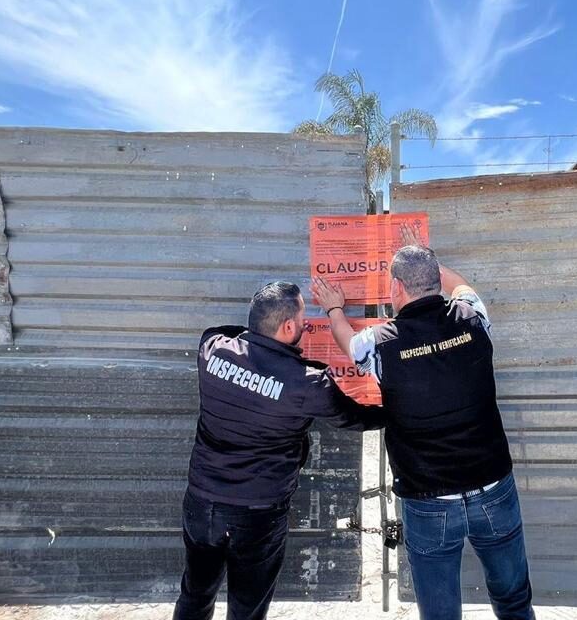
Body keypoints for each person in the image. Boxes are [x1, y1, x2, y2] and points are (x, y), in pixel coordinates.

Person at [311, 226, 534, 620]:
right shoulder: (473, 318)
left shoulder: (380, 343)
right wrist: (425, 255)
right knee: (514, 601)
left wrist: (333, 308)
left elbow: (347, 339)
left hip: (430, 504)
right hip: (494, 491)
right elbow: (461, 284)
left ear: (395, 289)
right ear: (436, 281)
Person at [175, 281, 385, 620]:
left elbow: (222, 331)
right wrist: (402, 411)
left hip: (202, 504)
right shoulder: (308, 383)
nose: (305, 325)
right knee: (247, 609)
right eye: (302, 319)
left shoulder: (212, 350)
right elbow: (355, 418)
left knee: (195, 595)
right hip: (256, 514)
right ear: (289, 327)